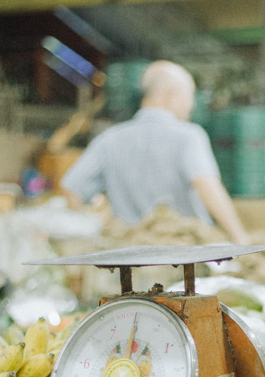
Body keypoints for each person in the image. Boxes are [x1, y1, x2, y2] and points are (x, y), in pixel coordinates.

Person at [61, 61, 251, 244]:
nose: (191, 106)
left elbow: (71, 188)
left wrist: (99, 232)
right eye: (190, 96)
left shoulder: (109, 140)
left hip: (130, 260)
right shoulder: (189, 136)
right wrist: (240, 238)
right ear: (171, 96)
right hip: (183, 258)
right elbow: (207, 186)